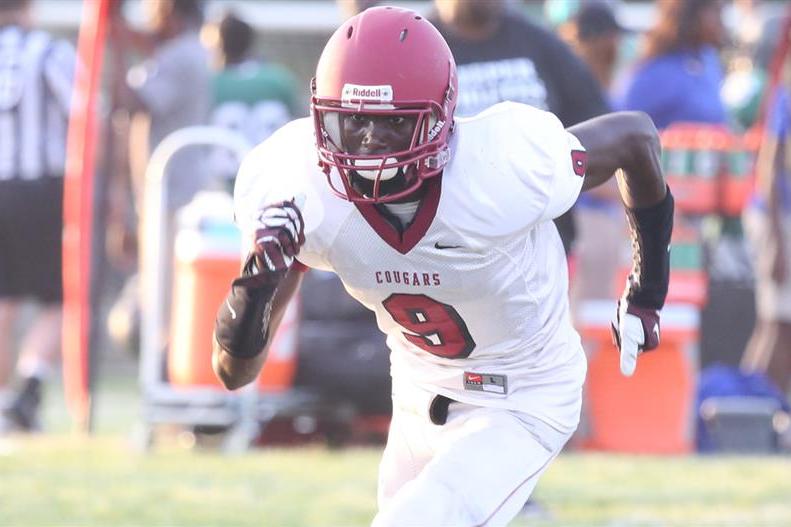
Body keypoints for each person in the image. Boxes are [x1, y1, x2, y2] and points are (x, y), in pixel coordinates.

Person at [212, 7, 673, 525]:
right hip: (417, 388)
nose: (367, 144)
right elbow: (234, 372)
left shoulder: (501, 166)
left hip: (522, 394)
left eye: (391, 126)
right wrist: (257, 283)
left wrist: (647, 289)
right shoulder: (299, 184)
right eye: (352, 122)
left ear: (440, 120)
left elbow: (635, 137)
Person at [429, 0, 610, 258]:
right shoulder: (420, 48)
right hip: (451, 249)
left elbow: (595, 125)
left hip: (541, 247)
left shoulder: (541, 45)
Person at [107, 0, 210, 351]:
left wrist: (115, 49)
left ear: (171, 14)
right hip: (165, 192)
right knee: (157, 289)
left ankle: (166, 368)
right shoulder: (177, 51)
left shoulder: (181, 56)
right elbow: (149, 43)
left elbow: (128, 101)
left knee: (163, 295)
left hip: (174, 194)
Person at [0, 0, 77, 431]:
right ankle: (28, 389)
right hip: (40, 188)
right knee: (59, 296)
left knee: (3, 300)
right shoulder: (47, 51)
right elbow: (86, 115)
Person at [203, 10, 298, 184]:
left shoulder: (209, 84)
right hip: (274, 182)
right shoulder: (279, 79)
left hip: (225, 185)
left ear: (219, 46)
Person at [741, 80, 791, 395]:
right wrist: (776, 245)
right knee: (778, 325)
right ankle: (748, 409)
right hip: (778, 219)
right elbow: (769, 169)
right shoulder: (786, 95)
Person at [617, 0, 727, 129]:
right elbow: (622, 125)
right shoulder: (656, 72)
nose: (722, 23)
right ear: (692, 15)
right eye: (716, 12)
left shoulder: (708, 58)